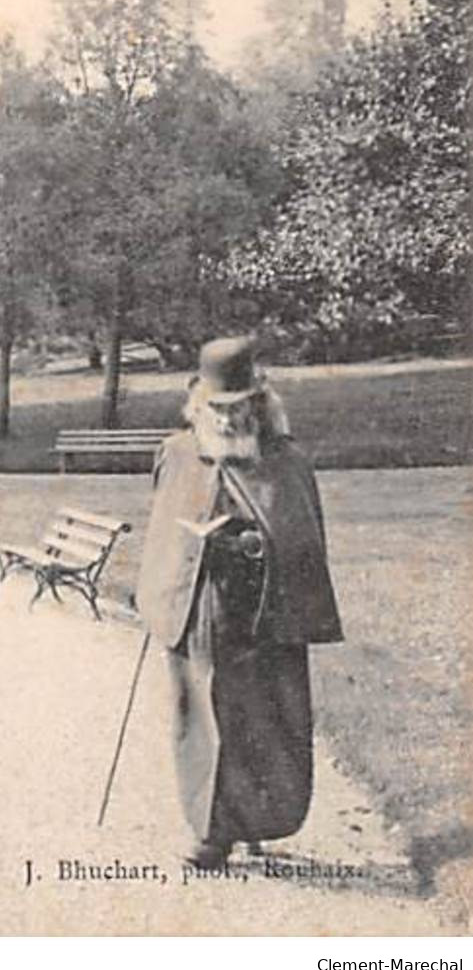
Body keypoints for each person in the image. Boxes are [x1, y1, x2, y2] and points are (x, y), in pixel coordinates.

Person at [134, 336, 342, 869]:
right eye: (215, 410)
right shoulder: (177, 454)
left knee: (262, 718)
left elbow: (299, 540)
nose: (226, 420)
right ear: (198, 406)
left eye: (237, 408)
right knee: (202, 716)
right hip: (198, 609)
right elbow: (161, 529)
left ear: (259, 404)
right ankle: (211, 834)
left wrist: (252, 545)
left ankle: (255, 818)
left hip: (265, 613)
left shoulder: (287, 462)